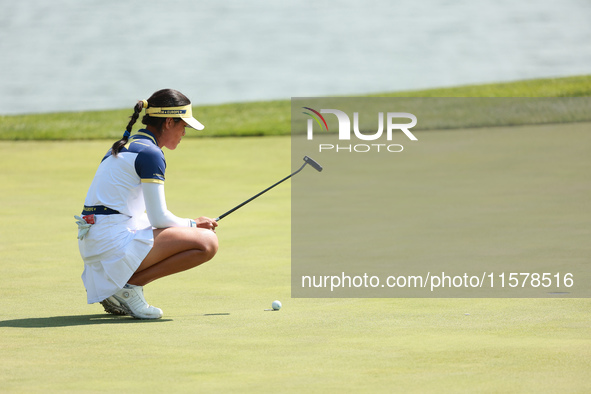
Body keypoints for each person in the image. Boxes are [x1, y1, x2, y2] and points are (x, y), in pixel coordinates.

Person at [75, 89, 218, 319]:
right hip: (110, 244)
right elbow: (158, 218)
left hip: (98, 242)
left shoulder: (128, 145)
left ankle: (123, 288)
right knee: (207, 242)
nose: (184, 133)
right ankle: (128, 288)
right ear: (169, 122)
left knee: (191, 235)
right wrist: (194, 224)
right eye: (183, 126)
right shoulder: (151, 154)